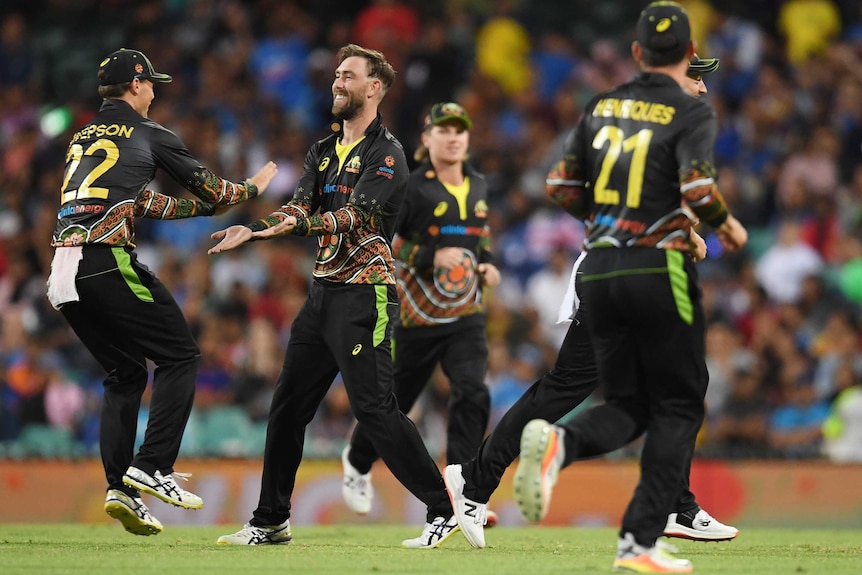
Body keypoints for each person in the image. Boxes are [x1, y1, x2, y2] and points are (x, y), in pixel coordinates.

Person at [443, 38, 736, 554]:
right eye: (695, 74)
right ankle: (478, 476)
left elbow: (571, 184)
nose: (703, 85)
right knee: (651, 387)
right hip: (633, 272)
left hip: (611, 268)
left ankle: (675, 505)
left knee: (604, 387)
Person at [511, 3, 748, 571]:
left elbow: (560, 185)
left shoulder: (602, 106)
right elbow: (698, 188)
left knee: (632, 404)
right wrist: (725, 226)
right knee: (682, 400)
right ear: (687, 54)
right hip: (655, 267)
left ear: (638, 54)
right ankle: (642, 536)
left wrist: (610, 221)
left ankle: (563, 446)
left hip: (600, 269)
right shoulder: (691, 112)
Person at [211, 44, 457, 548]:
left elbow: (355, 217)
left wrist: (277, 229)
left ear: (374, 88)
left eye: (348, 76)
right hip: (323, 295)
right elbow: (299, 208)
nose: (337, 83)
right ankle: (271, 520)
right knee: (287, 409)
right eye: (336, 76)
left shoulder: (386, 154)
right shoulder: (322, 151)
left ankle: (444, 508)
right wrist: (254, 230)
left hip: (366, 295)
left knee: (375, 409)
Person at [47, 48, 277, 536]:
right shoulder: (150, 133)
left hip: (62, 272)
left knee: (125, 373)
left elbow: (138, 202)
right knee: (181, 356)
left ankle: (119, 487)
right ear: (134, 85)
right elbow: (215, 191)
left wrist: (198, 212)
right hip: (105, 259)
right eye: (151, 83)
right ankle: (153, 465)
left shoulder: (80, 139)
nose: (154, 91)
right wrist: (252, 189)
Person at [340, 102, 500, 523]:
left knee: (472, 391)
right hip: (417, 319)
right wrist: (433, 255)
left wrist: (486, 262)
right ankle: (357, 462)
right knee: (394, 406)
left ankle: (465, 492)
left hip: (467, 314)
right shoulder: (410, 187)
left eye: (459, 130)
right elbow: (384, 241)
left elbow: (479, 238)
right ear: (425, 139)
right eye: (443, 130)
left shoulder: (480, 185)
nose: (453, 137)